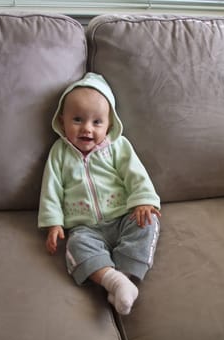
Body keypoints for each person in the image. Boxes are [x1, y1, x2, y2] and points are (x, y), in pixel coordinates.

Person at [38, 72, 161, 315]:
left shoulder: (118, 146)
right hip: (85, 227)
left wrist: (143, 201)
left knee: (148, 222)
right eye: (77, 119)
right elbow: (51, 188)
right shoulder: (59, 153)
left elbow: (136, 174)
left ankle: (124, 277)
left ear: (110, 125)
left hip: (123, 215)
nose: (87, 128)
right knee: (76, 246)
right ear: (62, 121)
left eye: (97, 122)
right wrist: (54, 222)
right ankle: (113, 281)